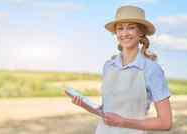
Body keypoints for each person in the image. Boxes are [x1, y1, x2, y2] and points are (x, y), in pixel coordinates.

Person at [71, 5, 172, 134]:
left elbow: (165, 122)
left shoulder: (152, 69)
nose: (124, 33)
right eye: (120, 28)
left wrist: (123, 122)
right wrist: (86, 105)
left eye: (131, 27)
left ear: (141, 32)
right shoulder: (109, 66)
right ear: (116, 33)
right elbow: (107, 113)